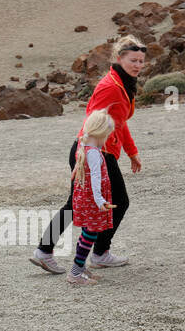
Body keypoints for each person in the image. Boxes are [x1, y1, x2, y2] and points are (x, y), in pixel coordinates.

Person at [29, 35, 147, 273]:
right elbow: (93, 121)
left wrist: (132, 152)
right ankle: (98, 253)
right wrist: (85, 155)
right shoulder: (110, 87)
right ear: (119, 58)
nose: (137, 65)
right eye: (133, 60)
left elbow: (120, 123)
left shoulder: (123, 84)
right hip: (94, 151)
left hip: (101, 150)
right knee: (115, 202)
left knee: (82, 203)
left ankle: (48, 250)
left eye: (141, 61)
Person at [65, 110, 118, 286]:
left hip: (85, 197)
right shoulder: (93, 152)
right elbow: (95, 177)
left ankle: (79, 268)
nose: (107, 139)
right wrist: (100, 200)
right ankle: (75, 272)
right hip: (92, 198)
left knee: (88, 231)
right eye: (107, 136)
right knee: (90, 233)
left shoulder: (85, 145)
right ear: (101, 133)